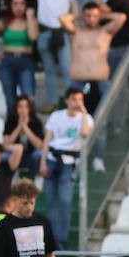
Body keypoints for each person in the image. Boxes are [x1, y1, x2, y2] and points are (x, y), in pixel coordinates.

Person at [42, 87, 94, 248]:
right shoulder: (56, 116)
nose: (76, 102)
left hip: (69, 162)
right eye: (73, 99)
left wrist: (83, 112)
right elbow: (47, 139)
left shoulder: (86, 118)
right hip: (52, 158)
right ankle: (50, 238)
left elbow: (85, 133)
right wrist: (42, 161)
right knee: (50, 201)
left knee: (64, 200)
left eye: (79, 99)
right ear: (67, 100)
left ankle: (61, 239)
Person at [0, 0, 40, 115]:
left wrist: (30, 17)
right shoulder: (4, 22)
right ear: (11, 6)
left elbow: (33, 36)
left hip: (25, 60)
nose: (19, 7)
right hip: (8, 60)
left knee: (29, 96)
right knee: (10, 99)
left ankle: (31, 128)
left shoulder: (31, 21)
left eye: (22, 4)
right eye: (15, 4)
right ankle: (12, 129)